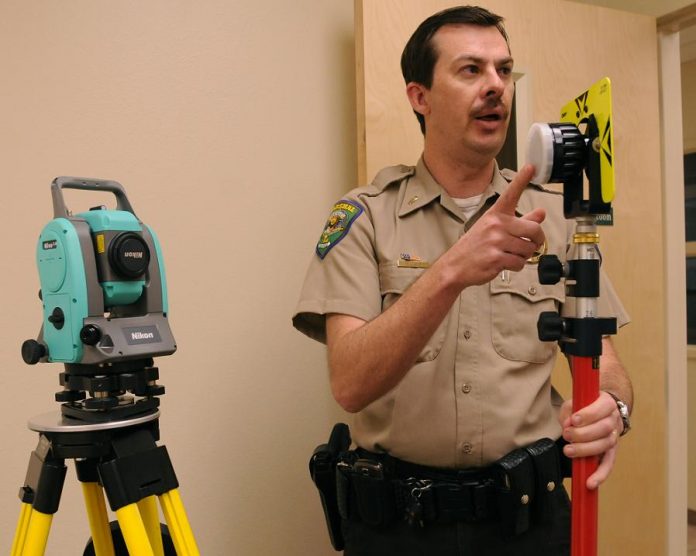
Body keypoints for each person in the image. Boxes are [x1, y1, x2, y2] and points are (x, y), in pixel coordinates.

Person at [294, 6, 633, 555]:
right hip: (398, 529)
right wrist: (451, 270)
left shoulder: (560, 221)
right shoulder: (364, 217)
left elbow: (607, 362)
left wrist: (614, 409)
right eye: (471, 70)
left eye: (503, 70)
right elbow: (350, 383)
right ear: (420, 97)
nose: (496, 86)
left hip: (531, 523)